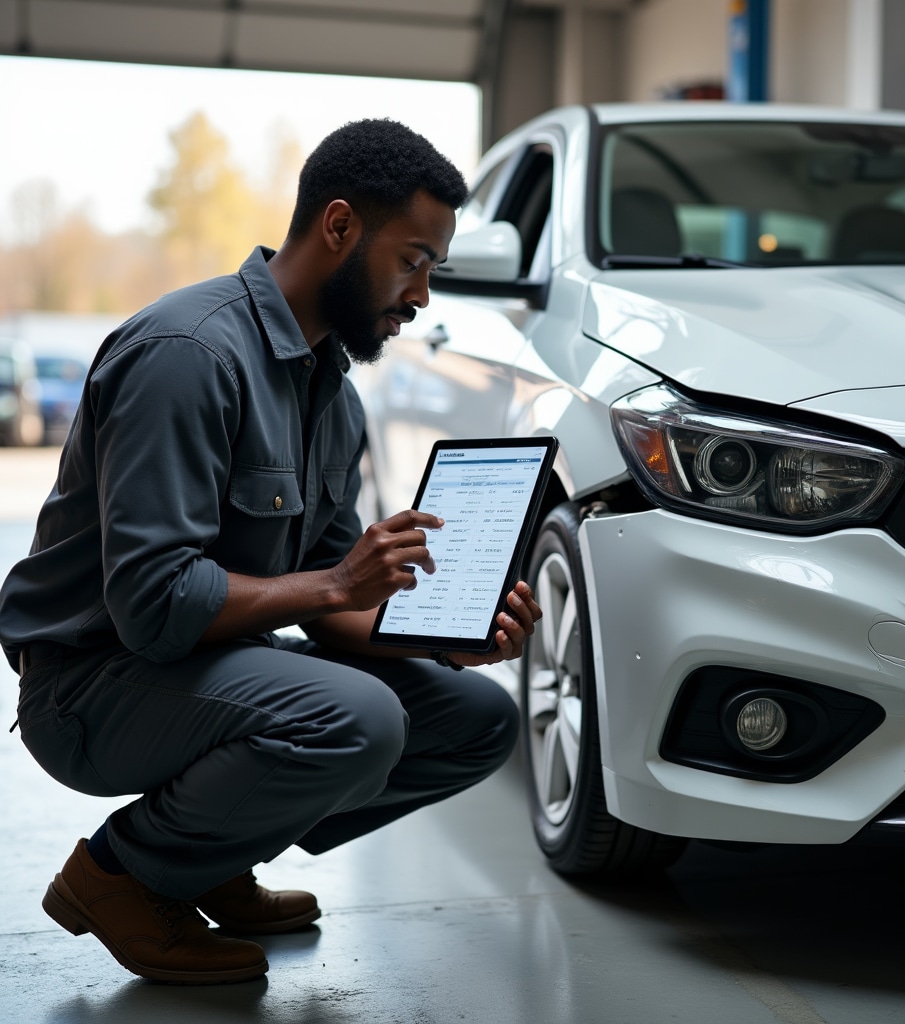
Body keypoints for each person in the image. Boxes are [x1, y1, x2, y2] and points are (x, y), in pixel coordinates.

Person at [0, 119, 539, 985]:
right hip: (90, 686)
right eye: (412, 260)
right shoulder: (188, 356)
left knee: (478, 718)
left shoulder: (333, 393)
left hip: (210, 670)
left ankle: (209, 858)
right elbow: (155, 604)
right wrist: (335, 582)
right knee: (358, 720)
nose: (423, 295)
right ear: (338, 228)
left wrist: (442, 638)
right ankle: (120, 876)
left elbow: (336, 612)